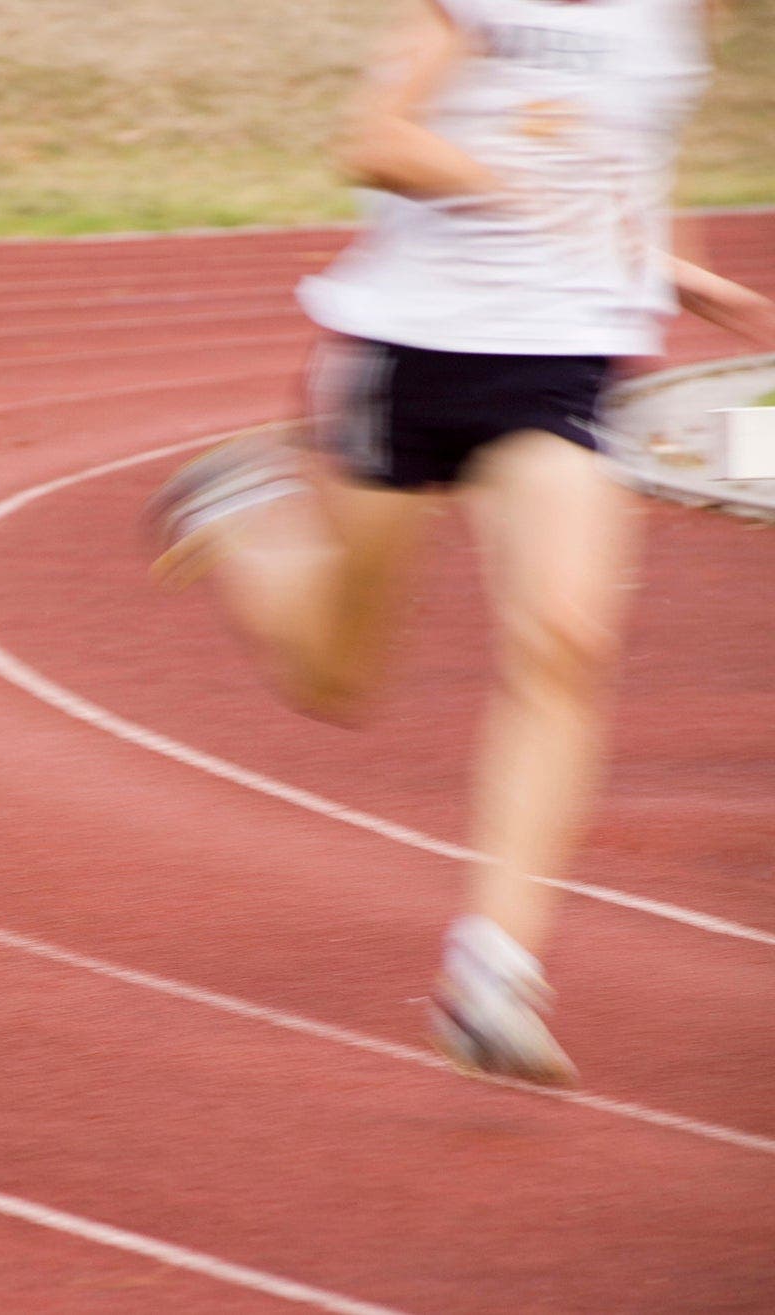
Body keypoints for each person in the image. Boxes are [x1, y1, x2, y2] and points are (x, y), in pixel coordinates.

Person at [146, 0, 774, 1083]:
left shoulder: (675, 17)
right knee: (334, 677)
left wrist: (677, 270)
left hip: (563, 371)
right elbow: (372, 142)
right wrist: (505, 184)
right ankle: (241, 513)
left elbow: (637, 149)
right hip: (409, 355)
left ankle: (494, 967)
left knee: (566, 640)